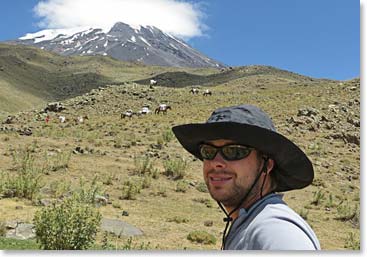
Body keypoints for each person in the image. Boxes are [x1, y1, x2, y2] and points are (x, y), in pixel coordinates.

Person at [172, 104, 321, 250]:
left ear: (267, 165)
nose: (216, 163)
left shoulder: (276, 232)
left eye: (234, 151)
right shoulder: (249, 223)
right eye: (208, 151)